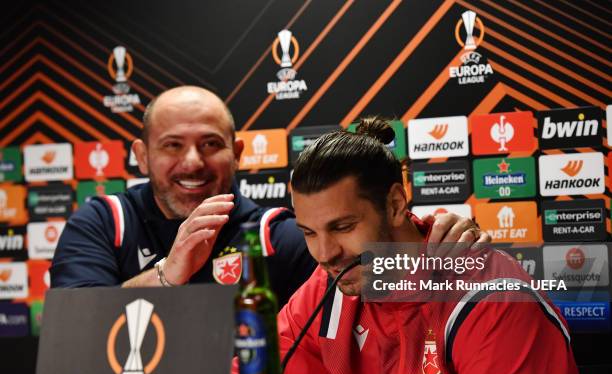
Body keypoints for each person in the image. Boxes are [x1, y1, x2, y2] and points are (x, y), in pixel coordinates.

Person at [50, 86, 488, 307]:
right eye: (171, 145)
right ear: (141, 156)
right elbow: (70, 331)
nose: (193, 162)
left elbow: (365, 259)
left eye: (210, 144)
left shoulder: (277, 233)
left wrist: (439, 237)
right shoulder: (103, 221)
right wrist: (168, 274)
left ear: (237, 154)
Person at [260, 118, 594, 374]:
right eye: (309, 233)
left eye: (343, 227)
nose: (324, 253)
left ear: (394, 204)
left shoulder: (492, 298)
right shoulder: (329, 286)